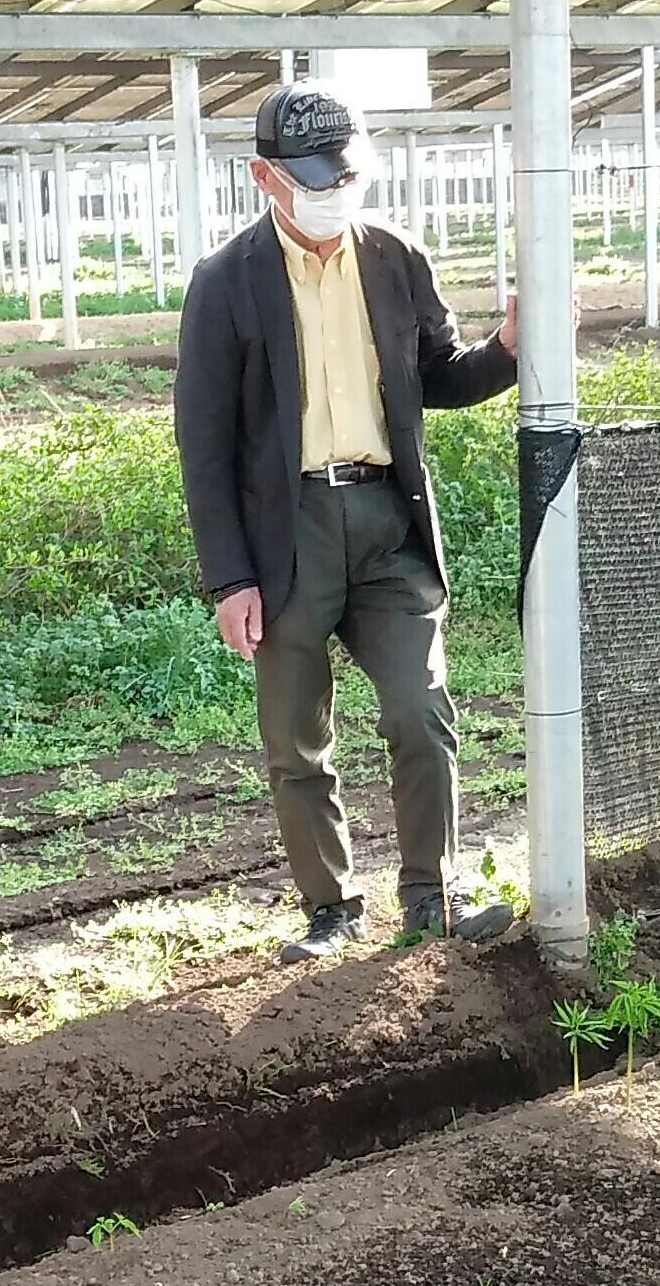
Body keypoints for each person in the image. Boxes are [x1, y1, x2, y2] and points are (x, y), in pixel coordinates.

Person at [174, 83, 523, 962]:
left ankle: (432, 898)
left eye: (348, 174)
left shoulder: (396, 258)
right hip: (285, 531)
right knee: (298, 739)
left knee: (420, 709)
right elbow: (203, 444)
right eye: (315, 179)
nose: (337, 191)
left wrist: (507, 352)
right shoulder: (225, 282)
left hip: (386, 517)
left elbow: (436, 375)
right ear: (265, 177)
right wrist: (230, 577)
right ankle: (331, 909)